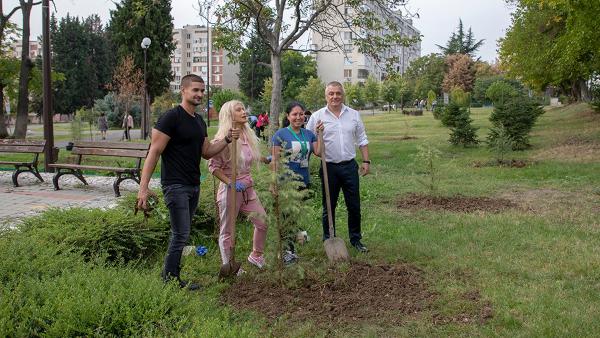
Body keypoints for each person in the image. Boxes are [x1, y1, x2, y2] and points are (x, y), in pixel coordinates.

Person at [136, 74, 239, 290]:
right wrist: (143, 188)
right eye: (195, 90)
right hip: (175, 185)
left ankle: (171, 277)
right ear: (183, 91)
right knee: (180, 233)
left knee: (182, 232)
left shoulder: (199, 121)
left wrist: (227, 139)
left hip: (194, 185)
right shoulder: (171, 118)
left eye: (202, 91)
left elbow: (206, 152)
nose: (200, 94)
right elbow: (154, 152)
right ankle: (170, 280)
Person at [306, 81, 370, 253]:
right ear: (326, 96)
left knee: (354, 205)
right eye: (331, 93)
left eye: (338, 93)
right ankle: (329, 238)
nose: (335, 96)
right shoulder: (317, 117)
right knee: (328, 205)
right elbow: (310, 142)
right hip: (329, 168)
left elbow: (362, 138)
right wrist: (317, 143)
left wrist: (366, 161)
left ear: (343, 95)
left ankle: (356, 239)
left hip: (349, 166)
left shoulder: (354, 115)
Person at [208, 100, 270, 271]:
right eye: (238, 110)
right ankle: (229, 265)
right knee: (227, 230)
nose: (243, 112)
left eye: (243, 108)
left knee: (263, 221)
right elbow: (213, 167)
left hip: (248, 190)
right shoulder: (222, 140)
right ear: (230, 115)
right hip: (231, 191)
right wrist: (230, 183)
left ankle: (256, 255)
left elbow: (250, 156)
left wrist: (265, 159)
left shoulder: (246, 136)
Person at [271, 102, 322, 264]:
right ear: (288, 116)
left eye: (301, 114)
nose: (298, 117)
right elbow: (275, 162)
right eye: (294, 114)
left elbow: (319, 152)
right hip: (286, 183)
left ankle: (294, 242)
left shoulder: (309, 134)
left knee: (295, 216)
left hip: (303, 181)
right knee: (287, 218)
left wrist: (320, 134)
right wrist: (273, 183)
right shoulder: (280, 135)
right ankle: (286, 252)